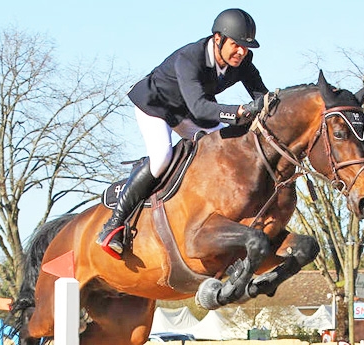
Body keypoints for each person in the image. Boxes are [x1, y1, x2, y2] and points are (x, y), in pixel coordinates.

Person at [97, 8, 269, 258]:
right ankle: (114, 224)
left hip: (189, 110)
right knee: (162, 157)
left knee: (224, 150)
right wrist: (239, 111)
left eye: (245, 47)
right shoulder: (190, 58)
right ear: (218, 39)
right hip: (155, 106)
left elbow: (260, 95)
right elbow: (201, 106)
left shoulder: (243, 62)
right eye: (236, 45)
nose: (241, 52)